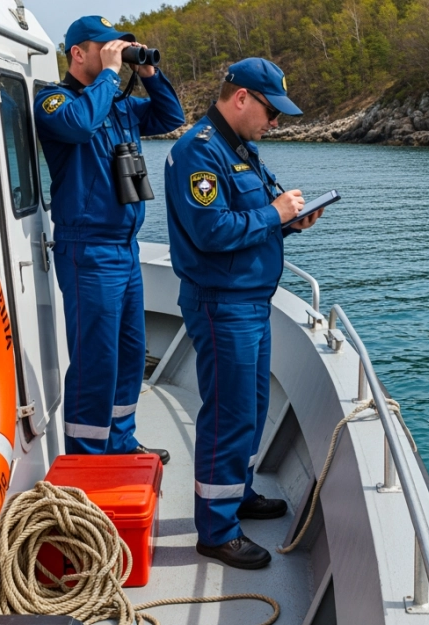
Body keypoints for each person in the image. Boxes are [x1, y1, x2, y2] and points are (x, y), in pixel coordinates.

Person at [165, 57, 324, 569]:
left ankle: (238, 492)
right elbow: (211, 231)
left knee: (253, 408)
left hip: (251, 301)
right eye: (270, 112)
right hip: (221, 304)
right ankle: (215, 529)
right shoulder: (198, 153)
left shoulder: (242, 150)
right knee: (228, 414)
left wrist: (289, 222)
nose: (274, 122)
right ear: (240, 99)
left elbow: (250, 221)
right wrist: (273, 214)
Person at [35, 16, 185, 464]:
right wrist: (108, 75)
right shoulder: (54, 100)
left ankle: (119, 443)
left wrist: (148, 73)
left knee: (129, 353)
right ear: (77, 52)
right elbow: (79, 126)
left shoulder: (117, 105)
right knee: (95, 360)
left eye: (118, 47)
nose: (114, 53)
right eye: (104, 47)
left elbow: (170, 116)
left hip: (125, 248)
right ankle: (85, 457)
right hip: (88, 249)